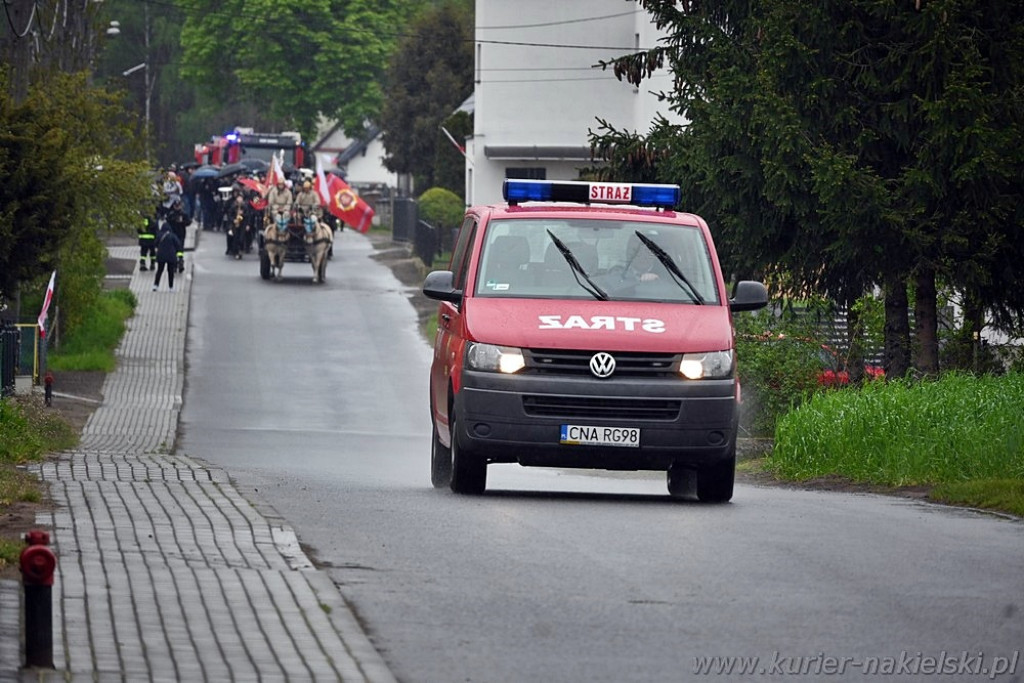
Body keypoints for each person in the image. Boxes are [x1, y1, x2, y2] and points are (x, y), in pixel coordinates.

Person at [152, 224, 183, 292]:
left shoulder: (159, 235)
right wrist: (179, 256)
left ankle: (155, 285)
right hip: (171, 256)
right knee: (170, 272)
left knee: (159, 271)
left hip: (161, 256)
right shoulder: (173, 236)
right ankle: (171, 287)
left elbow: (155, 243)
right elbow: (178, 245)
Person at [165, 199, 190, 273]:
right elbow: (167, 221)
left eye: (178, 206)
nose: (177, 207)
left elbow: (189, 222)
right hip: (173, 234)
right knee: (174, 250)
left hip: (181, 234)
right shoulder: (171, 214)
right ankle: (174, 264)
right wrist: (173, 220)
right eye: (176, 206)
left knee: (180, 249)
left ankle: (180, 261)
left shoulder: (183, 214)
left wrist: (182, 222)